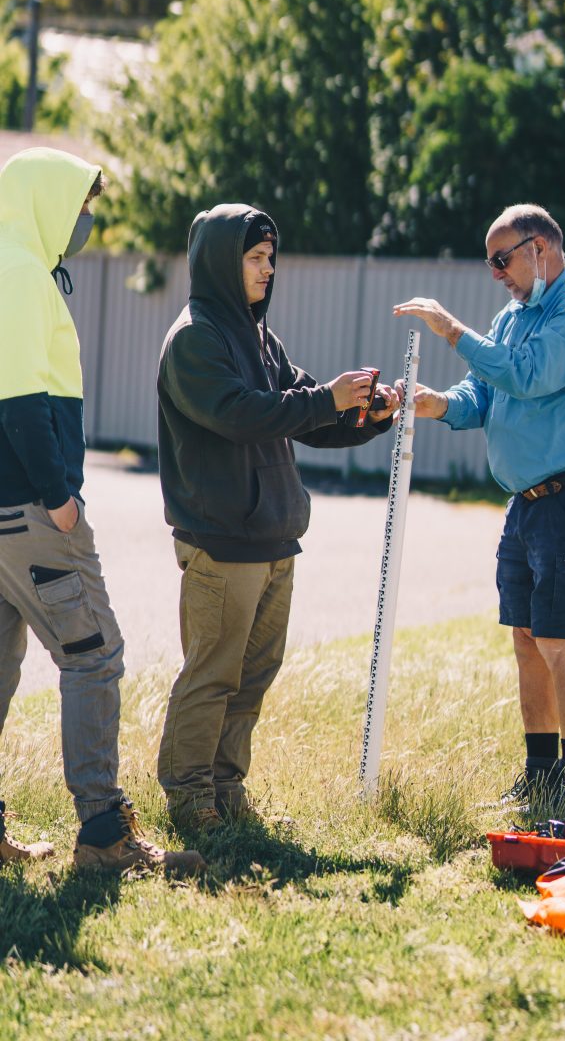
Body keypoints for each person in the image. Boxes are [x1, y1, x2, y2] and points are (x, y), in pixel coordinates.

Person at [156, 202, 397, 828]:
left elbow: (307, 417)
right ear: (221, 261)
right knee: (213, 674)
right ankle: (188, 796)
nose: (268, 270)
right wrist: (325, 398)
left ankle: (226, 790)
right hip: (222, 540)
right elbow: (241, 414)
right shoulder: (194, 339)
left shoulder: (261, 337)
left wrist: (366, 416)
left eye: (271, 258)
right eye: (256, 258)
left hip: (274, 537)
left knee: (254, 674)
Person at [393, 203, 565, 811]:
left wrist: (452, 330)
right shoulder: (511, 318)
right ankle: (540, 773)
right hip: (529, 504)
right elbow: (482, 395)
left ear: (540, 248)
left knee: (561, 643)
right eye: (490, 263)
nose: (496, 274)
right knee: (528, 639)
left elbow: (527, 375)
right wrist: (433, 403)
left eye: (502, 260)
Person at [0, 146, 203, 874]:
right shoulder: (19, 273)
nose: (86, 219)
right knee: (95, 656)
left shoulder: (15, 266)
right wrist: (59, 499)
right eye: (83, 204)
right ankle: (103, 835)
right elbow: (20, 400)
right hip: (31, 514)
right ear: (47, 200)